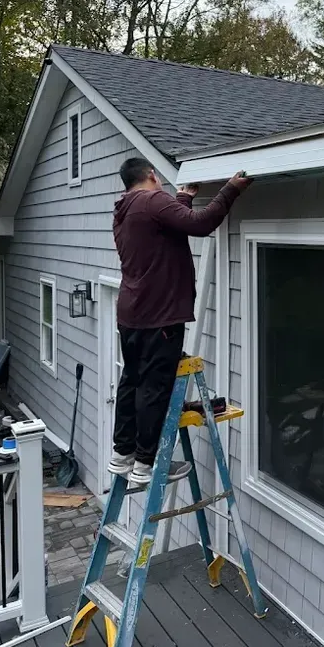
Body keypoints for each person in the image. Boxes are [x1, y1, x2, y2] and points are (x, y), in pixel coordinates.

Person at [108, 158, 252, 486]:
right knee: (154, 389)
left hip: (131, 316)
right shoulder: (152, 200)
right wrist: (230, 190)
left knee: (131, 381)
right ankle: (146, 464)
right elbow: (200, 224)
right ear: (151, 175)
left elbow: (168, 228)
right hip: (158, 317)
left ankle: (122, 455)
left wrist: (183, 199)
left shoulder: (125, 210)